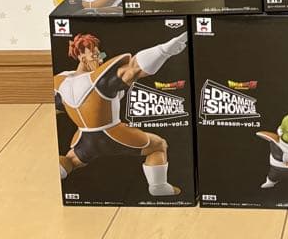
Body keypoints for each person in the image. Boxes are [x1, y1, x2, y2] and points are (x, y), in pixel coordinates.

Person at [54, 30, 188, 197]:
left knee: (70, 160)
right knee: (158, 145)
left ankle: (52, 175)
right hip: (111, 133)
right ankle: (158, 187)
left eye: (100, 54)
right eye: (95, 55)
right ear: (82, 58)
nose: (100, 59)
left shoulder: (61, 82)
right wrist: (164, 50)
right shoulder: (97, 80)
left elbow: (57, 108)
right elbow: (134, 68)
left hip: (84, 139)